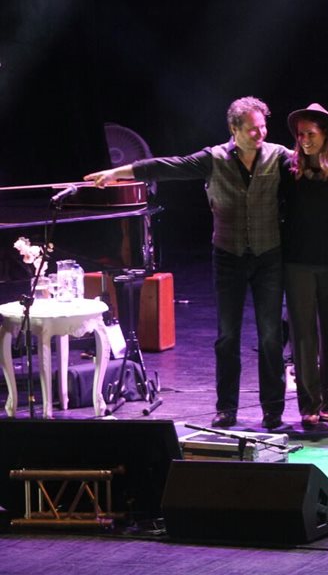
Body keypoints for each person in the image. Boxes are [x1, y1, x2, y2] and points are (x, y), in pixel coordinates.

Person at [86, 96, 289, 429]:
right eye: (253, 128)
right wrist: (115, 173)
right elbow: (164, 166)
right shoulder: (214, 158)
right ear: (234, 129)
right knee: (227, 336)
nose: (260, 133)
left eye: (263, 126)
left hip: (269, 255)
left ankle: (273, 410)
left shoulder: (278, 156)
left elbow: (315, 161)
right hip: (228, 255)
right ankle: (226, 408)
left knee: (270, 336)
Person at [281, 103, 328, 429]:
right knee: (304, 336)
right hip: (297, 263)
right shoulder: (289, 168)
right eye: (300, 134)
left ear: (326, 136)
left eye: (311, 133)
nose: (305, 139)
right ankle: (309, 403)